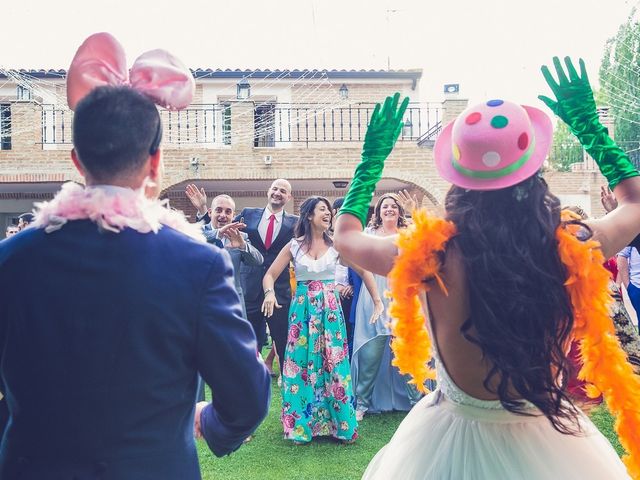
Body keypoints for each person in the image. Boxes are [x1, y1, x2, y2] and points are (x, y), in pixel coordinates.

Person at [335, 59, 640, 479]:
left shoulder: (430, 252)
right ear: (533, 170)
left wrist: (372, 160)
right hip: (552, 446)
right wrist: (590, 129)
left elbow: (346, 238)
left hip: (443, 445)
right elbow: (636, 203)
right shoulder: (570, 243)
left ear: (459, 176)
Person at [0, 33, 270, 480]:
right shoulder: (198, 265)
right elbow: (247, 395)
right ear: (156, 162)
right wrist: (208, 422)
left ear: (76, 159)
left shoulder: (11, 260)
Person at [261, 196, 382, 444]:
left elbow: (364, 270)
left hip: (329, 312)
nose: (328, 213)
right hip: (302, 312)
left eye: (329, 210)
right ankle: (300, 427)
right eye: (322, 210)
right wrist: (270, 293)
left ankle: (341, 425)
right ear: (308, 215)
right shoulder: (293, 246)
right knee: (301, 365)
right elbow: (270, 275)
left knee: (333, 363)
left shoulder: (337, 246)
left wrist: (378, 301)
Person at [351, 193, 422, 420]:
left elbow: (426, 250)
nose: (389, 209)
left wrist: (415, 212)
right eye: (385, 206)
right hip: (374, 292)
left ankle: (416, 403)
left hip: (404, 295)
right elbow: (358, 261)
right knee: (372, 351)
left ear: (400, 211)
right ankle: (361, 403)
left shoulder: (407, 233)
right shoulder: (369, 234)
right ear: (378, 212)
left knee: (408, 349)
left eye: (393, 206)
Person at [235, 179, 298, 371]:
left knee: (282, 336)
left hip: (279, 289)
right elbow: (223, 230)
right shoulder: (247, 214)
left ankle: (287, 375)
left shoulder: (294, 222)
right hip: (250, 287)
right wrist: (204, 211)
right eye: (275, 188)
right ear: (268, 191)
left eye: (283, 191)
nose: (278, 193)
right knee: (248, 337)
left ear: (289, 197)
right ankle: (247, 374)